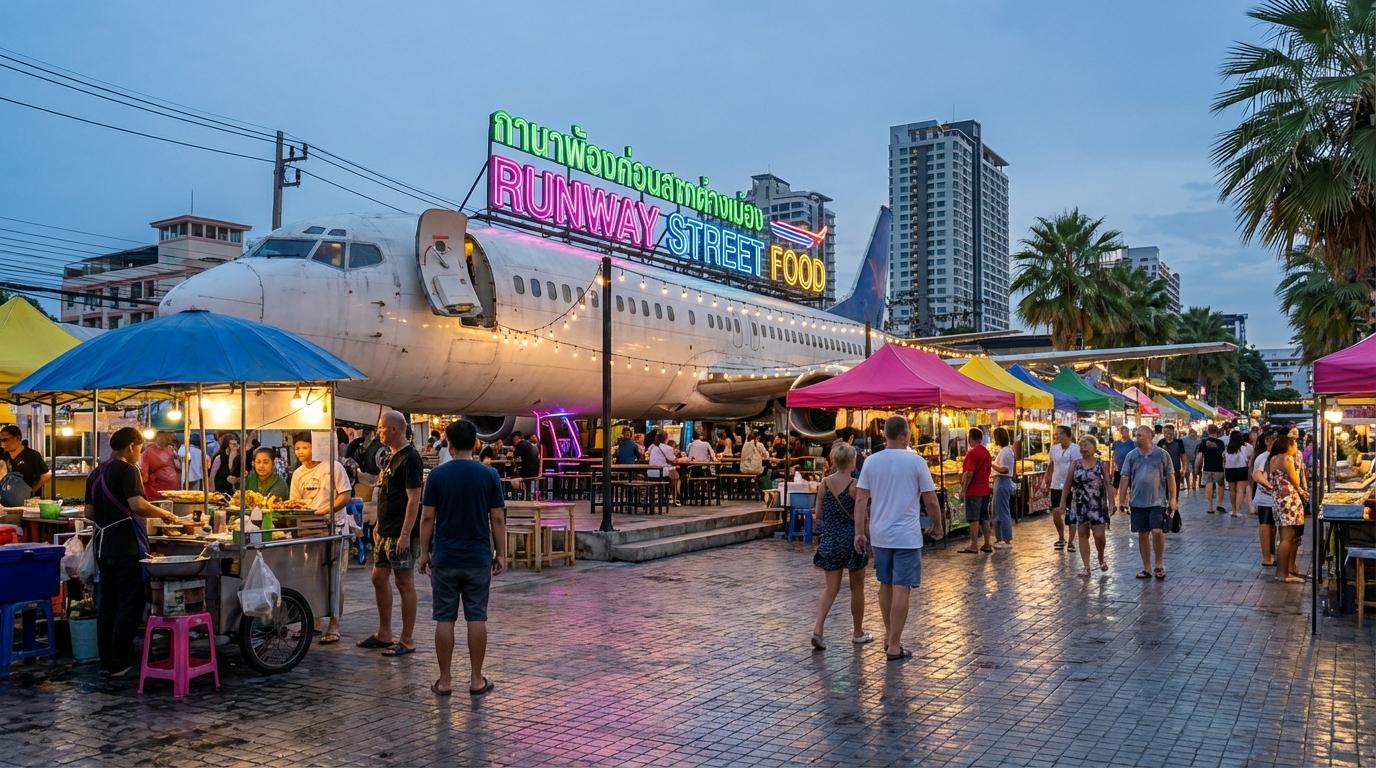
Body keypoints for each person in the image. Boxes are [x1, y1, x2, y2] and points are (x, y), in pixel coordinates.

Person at [416, 420, 506, 697]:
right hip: (478, 556)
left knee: (445, 618)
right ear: (476, 444)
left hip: (445, 556)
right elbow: (498, 518)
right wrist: (500, 552)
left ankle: (444, 681)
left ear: (449, 444)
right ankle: (477, 679)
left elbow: (428, 516)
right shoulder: (489, 475)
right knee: (476, 616)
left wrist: (423, 552)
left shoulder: (438, 476)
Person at [87, 427, 182, 678]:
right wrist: (166, 514)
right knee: (130, 602)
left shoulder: (95, 472)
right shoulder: (129, 470)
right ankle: (121, 661)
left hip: (102, 544)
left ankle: (106, 661)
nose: (139, 453)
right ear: (131, 446)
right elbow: (137, 504)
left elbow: (88, 513)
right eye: (139, 448)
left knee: (107, 603)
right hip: (125, 545)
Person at [853, 416, 943, 662]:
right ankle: (894, 645)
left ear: (885, 435)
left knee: (885, 584)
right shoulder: (916, 462)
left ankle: (889, 635)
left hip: (880, 534)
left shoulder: (871, 461)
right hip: (907, 536)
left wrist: (859, 531)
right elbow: (931, 499)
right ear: (904, 434)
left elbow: (861, 499)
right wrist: (937, 524)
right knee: (902, 587)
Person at [357, 411, 423, 655]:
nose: (379, 432)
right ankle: (384, 633)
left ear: (395, 429)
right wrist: (377, 525)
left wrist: (406, 533)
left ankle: (407, 639)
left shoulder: (411, 458)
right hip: (385, 530)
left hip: (400, 532)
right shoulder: (389, 457)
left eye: (382, 428)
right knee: (378, 578)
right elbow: (384, 491)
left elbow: (414, 498)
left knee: (404, 581)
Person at [288, 433, 352, 642]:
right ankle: (313, 622)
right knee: (310, 577)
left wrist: (326, 510)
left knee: (334, 578)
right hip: (308, 531)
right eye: (297, 448)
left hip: (334, 529)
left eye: (304, 447)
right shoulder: (297, 474)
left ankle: (334, 625)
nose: (300, 452)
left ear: (314, 447)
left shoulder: (333, 467)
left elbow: (345, 495)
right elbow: (294, 503)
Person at [809, 442, 872, 649]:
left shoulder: (825, 483)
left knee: (831, 588)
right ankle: (858, 632)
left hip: (832, 540)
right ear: (851, 461)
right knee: (857, 587)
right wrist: (866, 537)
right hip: (853, 539)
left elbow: (819, 515)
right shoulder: (855, 485)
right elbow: (861, 516)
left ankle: (818, 629)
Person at [1117, 424, 1178, 580]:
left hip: (1157, 501)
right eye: (1136, 435)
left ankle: (1159, 564)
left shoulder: (1162, 455)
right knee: (1142, 533)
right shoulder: (1131, 456)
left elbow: (1171, 477)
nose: (1136, 438)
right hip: (1137, 502)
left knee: (1157, 531)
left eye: (1139, 435)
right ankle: (1147, 567)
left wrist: (1173, 498)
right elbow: (1125, 477)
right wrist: (1121, 498)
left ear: (1149, 437)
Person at [1067, 435, 1111, 577]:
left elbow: (1108, 484)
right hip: (1080, 504)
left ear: (1094, 447)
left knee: (1099, 535)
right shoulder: (1075, 464)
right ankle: (1086, 566)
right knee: (1083, 534)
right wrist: (1062, 503)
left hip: (1097, 504)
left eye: (1086, 445)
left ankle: (1100, 556)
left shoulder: (1101, 464)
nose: (1083, 448)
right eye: (1081, 445)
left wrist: (1112, 502)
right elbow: (1068, 483)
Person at [1268, 434, 1308, 583]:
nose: (1296, 448)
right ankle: (1284, 574)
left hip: (1278, 499)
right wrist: (1297, 470)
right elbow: (1296, 481)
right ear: (1288, 446)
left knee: (1284, 536)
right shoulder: (1287, 458)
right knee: (1287, 538)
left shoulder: (1273, 459)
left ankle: (1281, 572)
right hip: (1289, 500)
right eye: (1294, 445)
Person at [957, 428, 994, 554]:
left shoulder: (972, 453)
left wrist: (963, 489)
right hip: (984, 489)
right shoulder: (986, 452)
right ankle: (987, 544)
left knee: (973, 519)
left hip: (974, 490)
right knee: (985, 517)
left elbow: (969, 473)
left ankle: (973, 545)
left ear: (971, 438)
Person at [1047, 425, 1081, 552]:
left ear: (1067, 434)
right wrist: (1047, 476)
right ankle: (1061, 537)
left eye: (1060, 433)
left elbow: (1078, 466)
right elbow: (1051, 464)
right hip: (1056, 485)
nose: (1058, 436)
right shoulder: (1054, 449)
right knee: (1056, 513)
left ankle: (1071, 541)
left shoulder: (1075, 449)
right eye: (1056, 434)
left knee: (1072, 514)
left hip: (1071, 486)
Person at [0, 423, 50, 499]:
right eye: (1, 440)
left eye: (5, 440)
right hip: (7, 498)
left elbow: (46, 475)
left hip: (28, 500)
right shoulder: (3, 456)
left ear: (17, 438)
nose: (2, 443)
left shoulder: (32, 455)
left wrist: (33, 490)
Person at [1252, 430, 1278, 567]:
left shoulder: (1275, 456)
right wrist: (1270, 487)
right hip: (1265, 499)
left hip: (1273, 499)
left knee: (1272, 527)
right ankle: (1267, 557)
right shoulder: (1263, 457)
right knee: (1266, 526)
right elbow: (1256, 475)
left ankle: (1271, 554)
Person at [990, 427, 1016, 549]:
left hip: (1002, 481)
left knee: (1002, 511)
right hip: (1000, 482)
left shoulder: (1005, 452)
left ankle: (1006, 539)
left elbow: (1004, 469)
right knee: (997, 511)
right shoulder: (1006, 451)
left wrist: (992, 464)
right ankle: (1000, 538)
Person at [139, 431, 181, 501]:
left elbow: (178, 468)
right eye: (171, 433)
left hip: (173, 493)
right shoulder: (148, 452)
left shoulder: (171, 450)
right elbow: (144, 478)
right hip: (157, 495)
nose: (174, 436)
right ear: (162, 435)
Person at [1196, 424, 1227, 513]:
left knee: (1208, 485)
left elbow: (1200, 456)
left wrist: (1197, 468)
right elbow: (1224, 455)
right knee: (1220, 486)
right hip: (1218, 467)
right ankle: (1219, 504)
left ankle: (1210, 507)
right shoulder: (1220, 443)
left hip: (1207, 467)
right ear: (1217, 431)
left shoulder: (1203, 442)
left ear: (1208, 431)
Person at [1224, 429, 1254, 518]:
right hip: (1242, 468)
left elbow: (1224, 459)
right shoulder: (1246, 446)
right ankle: (1238, 510)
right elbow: (1250, 456)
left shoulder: (1228, 448)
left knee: (1232, 490)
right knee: (1240, 490)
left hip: (1229, 469)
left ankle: (1233, 510)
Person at [647, 430, 681, 505]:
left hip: (650, 473)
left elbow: (648, 454)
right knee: (676, 477)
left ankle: (662, 497)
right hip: (661, 473)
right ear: (666, 438)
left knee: (672, 474)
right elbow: (673, 460)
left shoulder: (652, 446)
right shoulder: (668, 448)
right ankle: (673, 498)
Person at [1109, 426, 1135, 515]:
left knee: (1129, 487)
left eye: (1125, 430)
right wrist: (1112, 467)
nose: (1123, 432)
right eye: (1121, 430)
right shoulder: (1116, 443)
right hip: (1118, 468)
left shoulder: (1132, 443)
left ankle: (1128, 504)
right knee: (1115, 487)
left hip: (1129, 469)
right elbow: (1113, 456)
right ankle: (1117, 504)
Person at [510, 430, 540, 500]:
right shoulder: (527, 443)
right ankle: (529, 498)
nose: (514, 442)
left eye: (514, 440)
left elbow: (515, 456)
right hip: (535, 470)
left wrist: (513, 450)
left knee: (527, 485)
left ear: (516, 438)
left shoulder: (521, 445)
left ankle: (527, 499)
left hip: (528, 471)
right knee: (530, 486)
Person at [1158, 424, 1186, 495]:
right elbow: (1157, 457)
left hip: (1175, 470)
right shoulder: (1161, 443)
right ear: (1163, 433)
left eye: (1170, 432)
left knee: (1175, 490)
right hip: (1163, 471)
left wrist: (1184, 467)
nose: (1168, 434)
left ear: (1173, 432)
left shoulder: (1179, 442)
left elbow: (1183, 455)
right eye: (1166, 432)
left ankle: (1175, 504)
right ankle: (1166, 504)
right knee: (1165, 491)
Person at [1181, 428, 1201, 492]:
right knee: (1187, 472)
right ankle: (1189, 485)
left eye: (1194, 433)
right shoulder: (1183, 440)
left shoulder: (1199, 440)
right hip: (1187, 458)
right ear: (1189, 433)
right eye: (1191, 433)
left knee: (1195, 471)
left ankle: (1193, 484)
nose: (1192, 434)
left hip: (1195, 458)